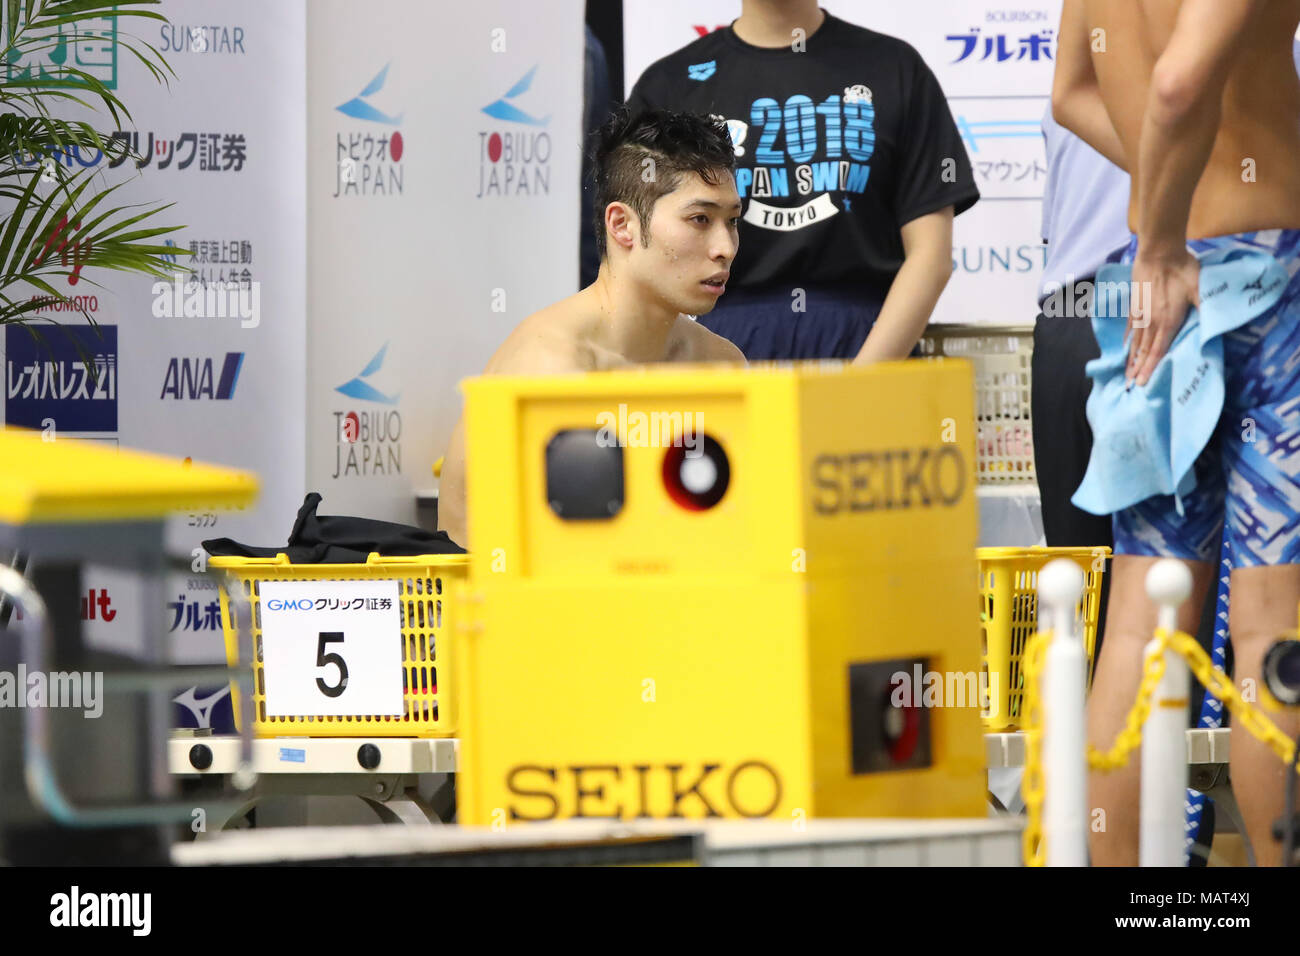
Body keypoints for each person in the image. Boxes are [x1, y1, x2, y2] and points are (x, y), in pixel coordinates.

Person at [1055, 0, 1300, 866]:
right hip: (1258, 277)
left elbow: (1072, 92)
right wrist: (1164, 234)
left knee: (1139, 626)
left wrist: (1169, 193)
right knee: (1273, 631)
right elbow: (1179, 79)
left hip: (1148, 295)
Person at [438, 108, 746, 550]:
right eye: (700, 219)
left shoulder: (719, 363)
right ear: (622, 225)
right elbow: (566, 557)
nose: (725, 248)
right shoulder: (553, 367)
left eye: (732, 221)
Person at [625, 0, 978, 362]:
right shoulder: (670, 85)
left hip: (872, 342)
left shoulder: (895, 68)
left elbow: (930, 257)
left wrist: (862, 381)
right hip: (719, 346)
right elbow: (632, 256)